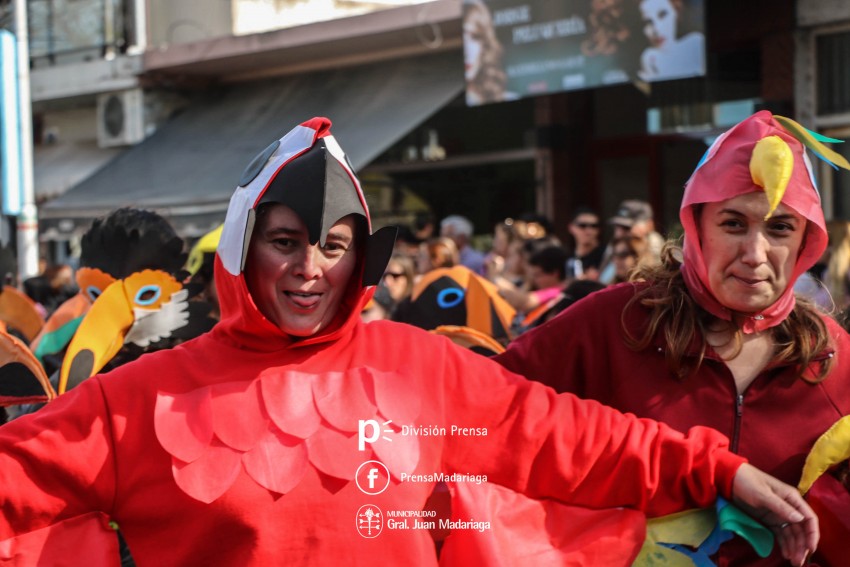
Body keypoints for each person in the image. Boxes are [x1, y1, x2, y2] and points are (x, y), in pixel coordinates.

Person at [0, 117, 817, 566]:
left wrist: (719, 469)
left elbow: (576, 439)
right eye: (286, 241)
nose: (311, 269)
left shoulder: (423, 369)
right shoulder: (137, 397)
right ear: (245, 247)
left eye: (334, 244)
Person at [495, 111, 850, 566]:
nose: (755, 254)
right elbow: (487, 407)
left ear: (807, 243)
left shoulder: (832, 354)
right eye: (733, 223)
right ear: (697, 227)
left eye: (780, 228)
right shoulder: (613, 321)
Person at [638, 0, 706, 81]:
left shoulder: (696, 43)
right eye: (648, 22)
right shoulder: (649, 57)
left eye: (662, 15)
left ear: (676, 13)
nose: (656, 29)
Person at [462, 0, 511, 105]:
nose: (467, 52)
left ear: (485, 46)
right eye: (462, 38)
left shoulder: (508, 97)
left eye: (474, 37)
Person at [564, 207, 605, 282]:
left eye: (594, 226)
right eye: (582, 225)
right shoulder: (566, 258)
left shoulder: (606, 255)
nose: (588, 231)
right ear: (571, 228)